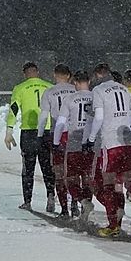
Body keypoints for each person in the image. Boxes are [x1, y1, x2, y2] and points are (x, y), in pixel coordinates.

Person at [83, 63, 131, 238]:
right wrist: (123, 122)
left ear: (98, 75)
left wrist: (91, 139)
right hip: (128, 140)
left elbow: (99, 117)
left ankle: (113, 225)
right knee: (130, 183)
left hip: (112, 143)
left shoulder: (99, 90)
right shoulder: (123, 89)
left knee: (109, 184)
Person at [5, 61, 54, 211]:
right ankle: (51, 195)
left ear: (25, 74)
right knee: (48, 167)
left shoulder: (20, 88)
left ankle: (27, 201)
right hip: (46, 130)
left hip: (29, 131)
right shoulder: (49, 87)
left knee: (28, 168)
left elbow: (14, 109)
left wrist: (9, 130)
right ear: (37, 72)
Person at [53, 70, 95, 223]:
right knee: (87, 178)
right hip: (91, 143)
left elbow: (61, 123)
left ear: (75, 83)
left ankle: (83, 201)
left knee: (70, 179)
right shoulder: (95, 97)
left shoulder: (70, 99)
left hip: (75, 142)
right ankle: (85, 211)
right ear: (89, 82)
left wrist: (56, 143)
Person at [38, 64, 76, 217]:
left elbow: (43, 116)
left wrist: (40, 135)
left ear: (54, 75)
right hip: (75, 135)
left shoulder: (49, 92)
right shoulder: (75, 90)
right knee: (74, 171)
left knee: (59, 173)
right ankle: (75, 202)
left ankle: (64, 208)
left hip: (58, 135)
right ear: (68, 75)